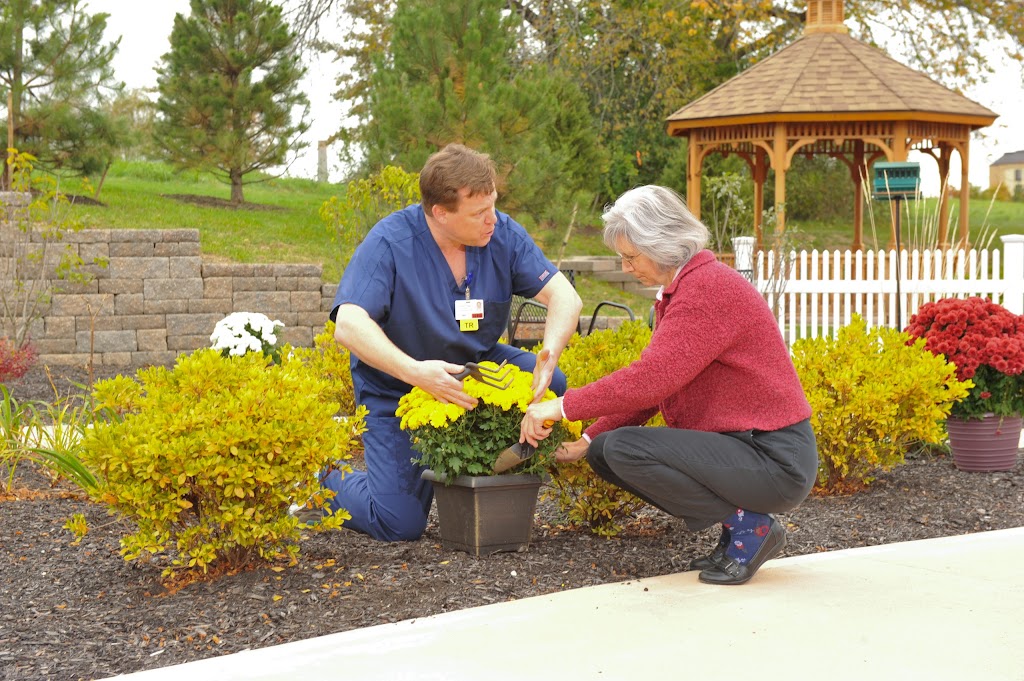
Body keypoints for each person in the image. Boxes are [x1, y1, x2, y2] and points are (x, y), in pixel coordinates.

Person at [520, 185, 818, 586]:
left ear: (661, 244)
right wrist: (588, 440)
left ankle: (752, 529)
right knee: (606, 452)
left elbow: (651, 378)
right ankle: (740, 531)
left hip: (774, 459)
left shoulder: (708, 290)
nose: (626, 268)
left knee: (622, 448)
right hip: (748, 450)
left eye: (630, 257)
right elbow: (659, 383)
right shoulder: (688, 288)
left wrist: (560, 407)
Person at [323, 144, 582, 542]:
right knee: (399, 523)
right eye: (478, 213)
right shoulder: (391, 242)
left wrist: (548, 355)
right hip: (398, 389)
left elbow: (566, 298)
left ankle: (485, 477)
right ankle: (326, 479)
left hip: (474, 370)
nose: (492, 220)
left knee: (551, 383)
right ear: (440, 214)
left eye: (493, 205)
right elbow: (348, 324)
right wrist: (415, 373)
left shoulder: (502, 233)